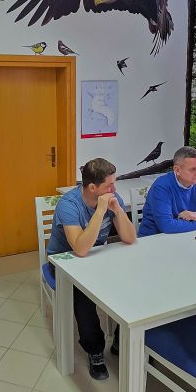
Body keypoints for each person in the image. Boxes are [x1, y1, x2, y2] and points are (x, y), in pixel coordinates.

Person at [46, 158, 136, 380]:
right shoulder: (68, 204)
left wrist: (118, 210)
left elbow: (130, 238)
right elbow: (80, 250)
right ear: (93, 187)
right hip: (64, 261)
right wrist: (101, 211)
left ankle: (120, 339)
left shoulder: (113, 198)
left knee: (133, 283)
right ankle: (95, 350)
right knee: (84, 297)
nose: (114, 189)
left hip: (97, 257)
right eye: (109, 185)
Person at [137, 146, 196, 237]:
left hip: (188, 235)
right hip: (154, 239)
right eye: (193, 169)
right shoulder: (161, 187)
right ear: (177, 170)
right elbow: (167, 226)